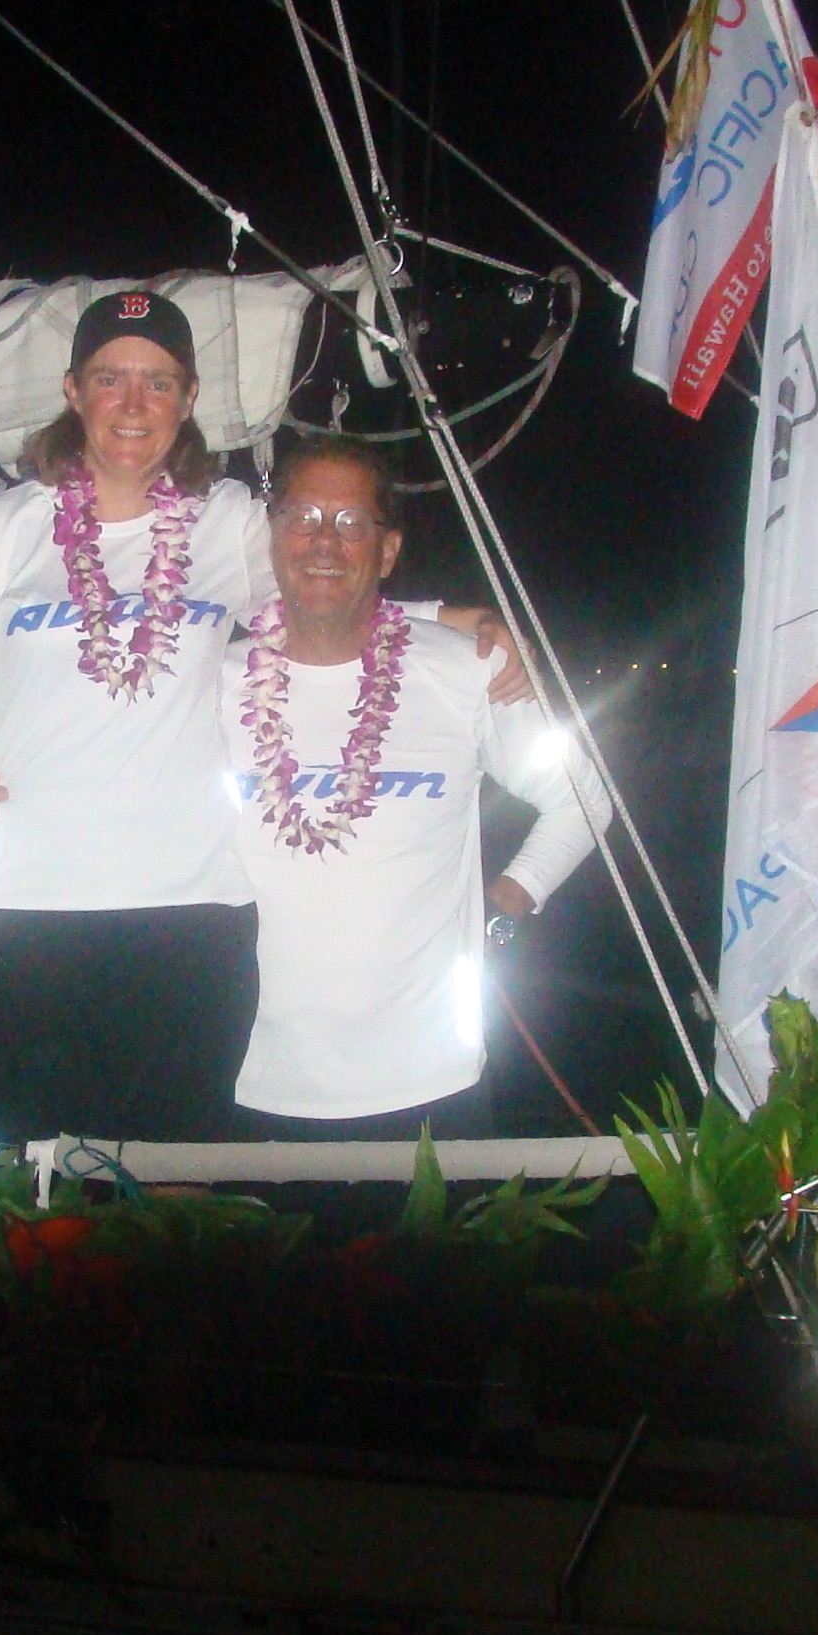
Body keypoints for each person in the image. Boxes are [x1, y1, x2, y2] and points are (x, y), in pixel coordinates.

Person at [0, 291, 522, 1142]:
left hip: (193, 917)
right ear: (73, 391)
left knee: (183, 1190)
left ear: (188, 399)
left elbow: (322, 594)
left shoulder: (227, 523)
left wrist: (448, 619)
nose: (133, 404)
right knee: (45, 1183)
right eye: (110, 379)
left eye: (158, 383)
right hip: (24, 911)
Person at [217, 436, 598, 1138]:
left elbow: (583, 798)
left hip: (434, 1083)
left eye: (351, 523)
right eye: (303, 517)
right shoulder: (211, 683)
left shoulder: (467, 669)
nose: (323, 541)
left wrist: (507, 903)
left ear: (387, 551)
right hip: (252, 1083)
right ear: (273, 537)